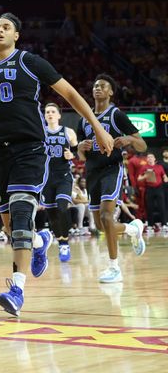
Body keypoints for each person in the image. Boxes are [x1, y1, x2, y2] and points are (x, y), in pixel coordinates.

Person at [0, 13, 114, 317]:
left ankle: (17, 289)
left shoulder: (29, 62)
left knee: (20, 213)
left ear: (17, 35)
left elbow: (70, 93)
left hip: (30, 149)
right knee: (11, 227)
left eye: (6, 27)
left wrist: (97, 127)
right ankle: (39, 239)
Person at [76, 74, 147, 283]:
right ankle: (133, 229)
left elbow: (142, 145)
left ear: (111, 92)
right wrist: (80, 147)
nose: (98, 88)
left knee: (107, 218)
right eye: (96, 85)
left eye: (103, 86)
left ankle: (115, 268)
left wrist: (128, 139)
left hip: (112, 169)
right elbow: (81, 155)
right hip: (92, 172)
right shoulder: (84, 119)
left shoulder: (117, 115)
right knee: (100, 226)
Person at [40, 103, 78, 263]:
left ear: (59, 115)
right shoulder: (40, 132)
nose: (49, 114)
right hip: (46, 178)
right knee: (52, 214)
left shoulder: (68, 132)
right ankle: (61, 240)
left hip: (63, 176)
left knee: (62, 207)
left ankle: (65, 243)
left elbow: (76, 150)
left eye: (53, 111)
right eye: (47, 111)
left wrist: (72, 155)